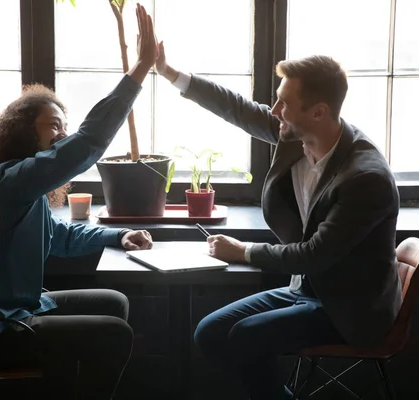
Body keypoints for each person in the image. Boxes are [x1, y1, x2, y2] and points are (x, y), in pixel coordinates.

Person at [0, 4, 157, 399]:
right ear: (22, 133)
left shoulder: (25, 189)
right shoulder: (5, 183)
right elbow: (86, 144)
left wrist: (117, 236)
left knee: (114, 303)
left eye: (63, 127)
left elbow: (61, 237)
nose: (61, 135)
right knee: (115, 334)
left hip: (12, 316)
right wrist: (139, 71)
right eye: (53, 126)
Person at [155, 42, 402, 400]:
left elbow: (314, 254)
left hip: (349, 309)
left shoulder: (366, 178)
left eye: (284, 103)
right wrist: (169, 72)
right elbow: (236, 108)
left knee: (246, 337)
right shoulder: (295, 134)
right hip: (304, 290)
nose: (274, 111)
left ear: (318, 112)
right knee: (209, 334)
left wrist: (244, 251)